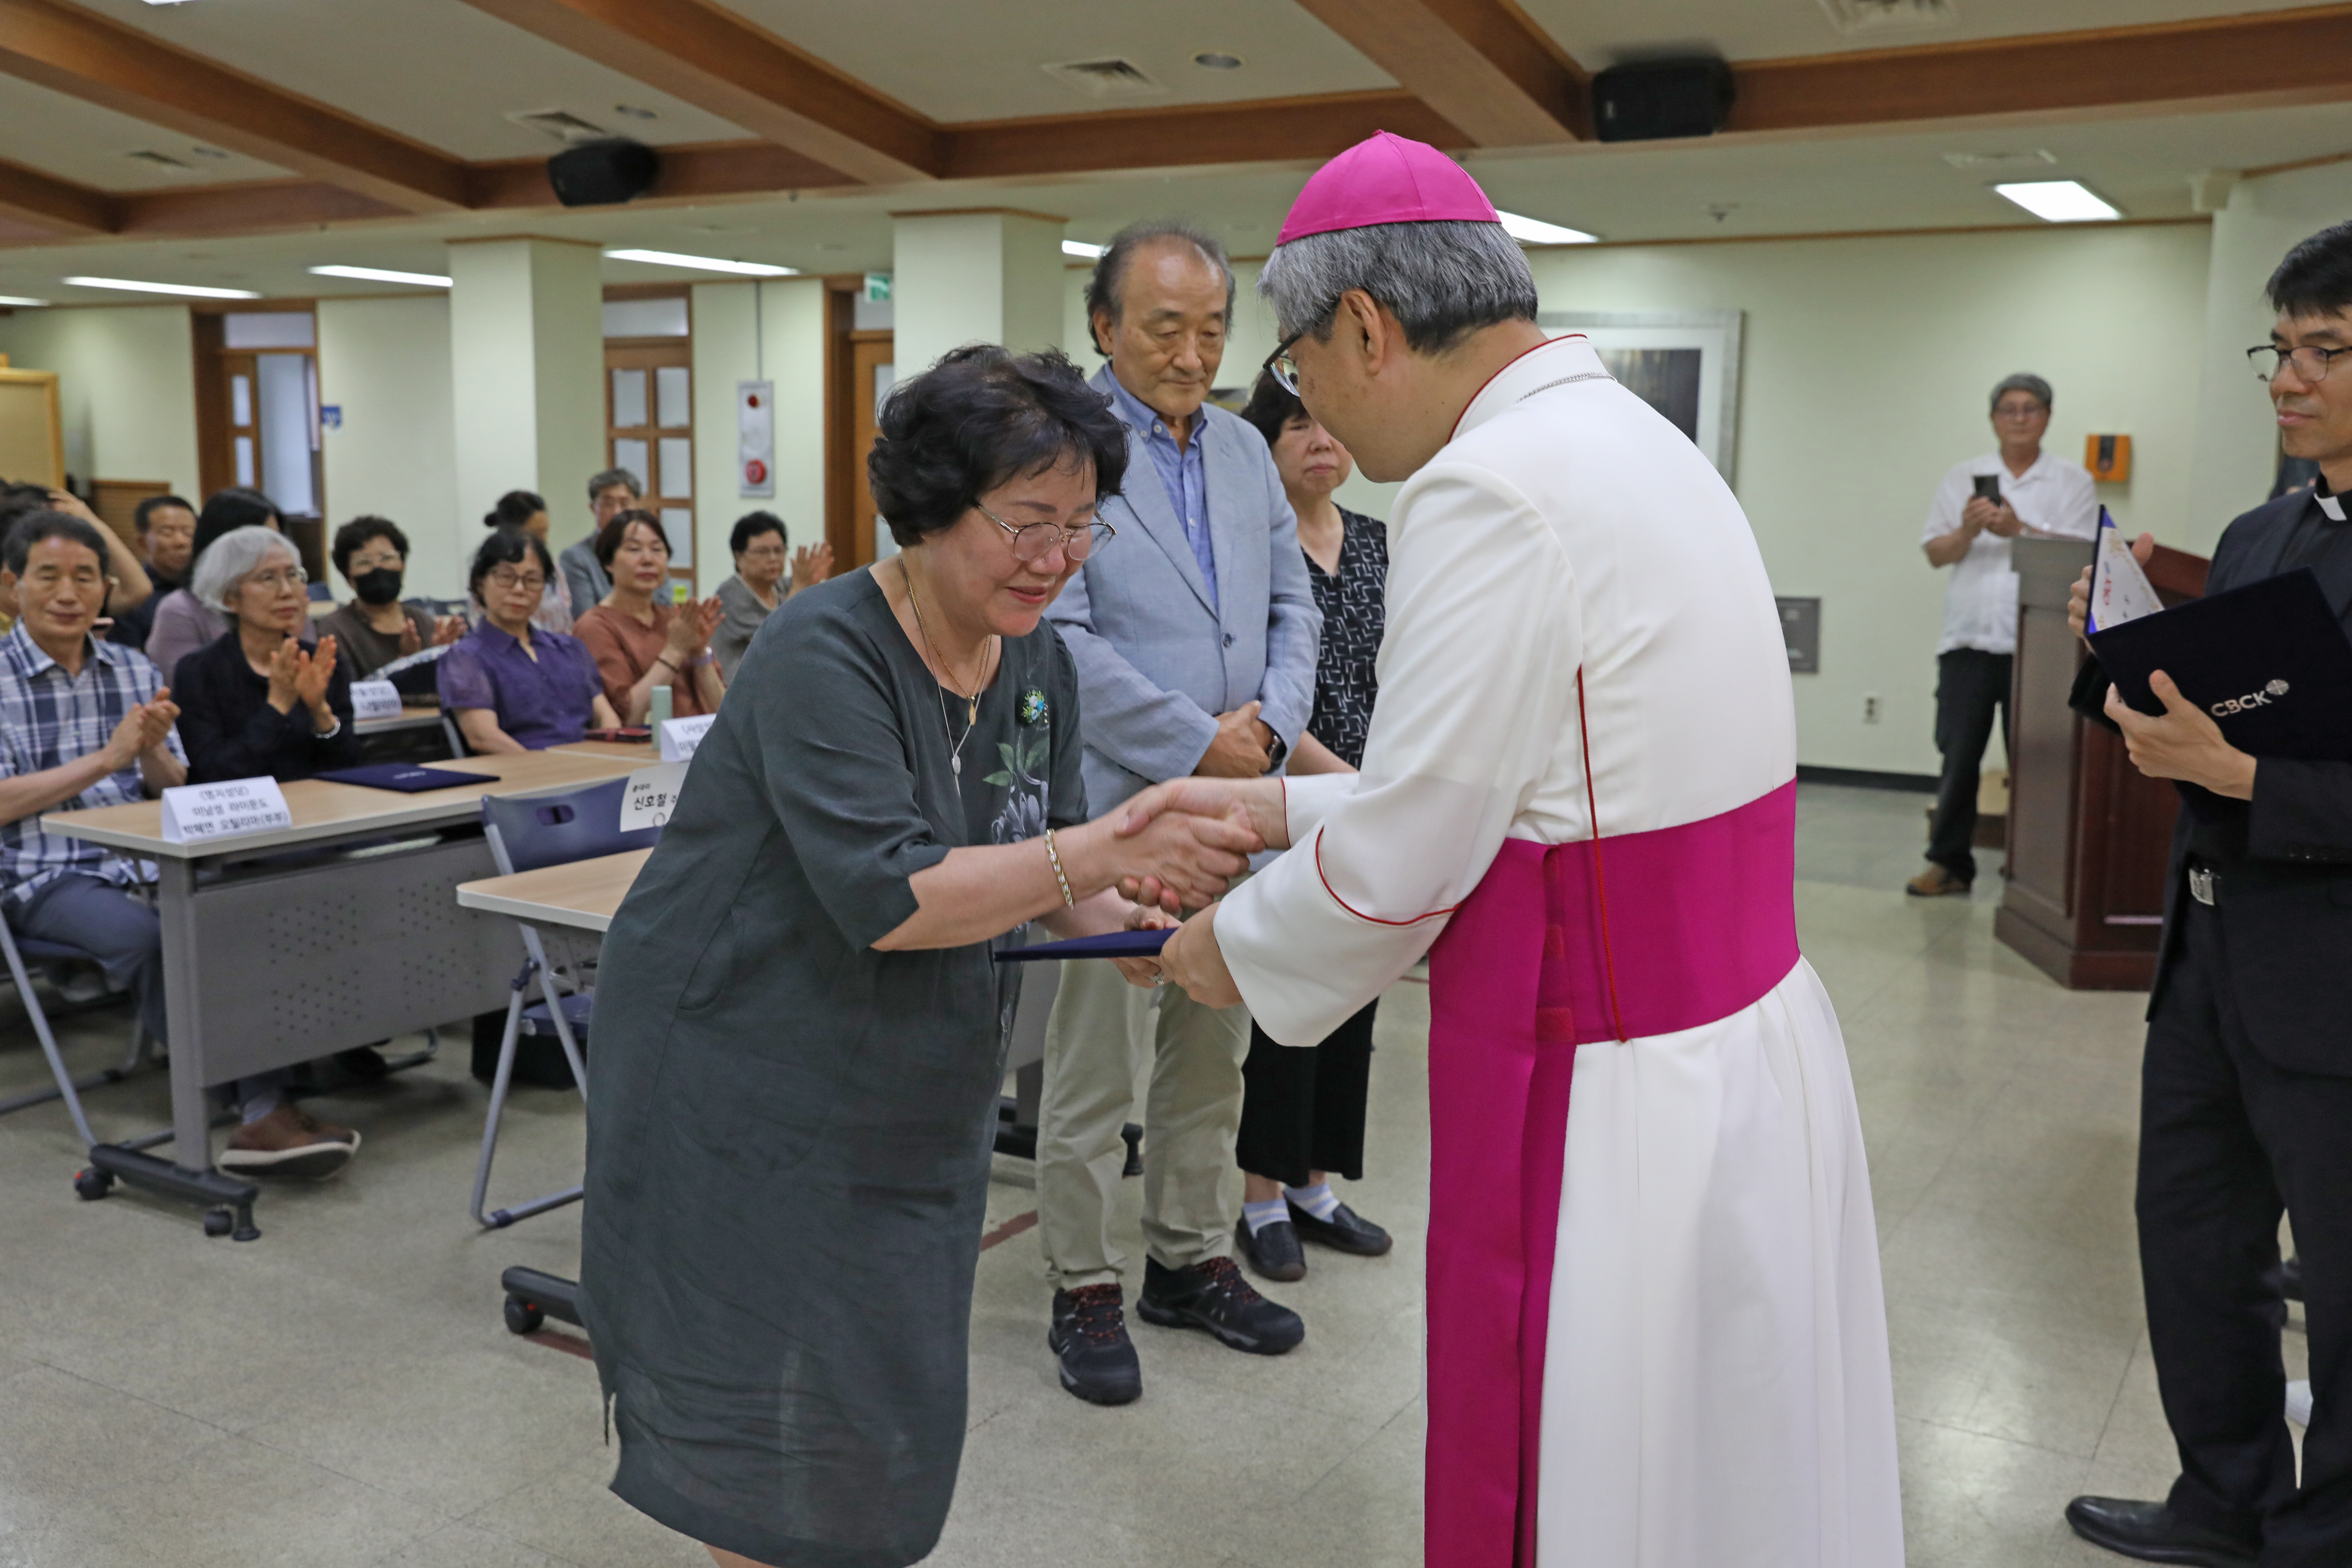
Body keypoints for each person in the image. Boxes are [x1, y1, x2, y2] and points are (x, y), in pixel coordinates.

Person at [1124, 132, 1902, 1566]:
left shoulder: (1486, 491)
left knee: (1579, 1471)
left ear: (1365, 324)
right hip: (1733, 1040)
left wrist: (1218, 947)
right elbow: (1535, 795)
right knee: (1722, 1460)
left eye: (1300, 365)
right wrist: (1267, 809)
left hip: (1602, 1088)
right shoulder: (1631, 442)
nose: (1318, 406)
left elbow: (1412, 856)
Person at [577, 345, 1260, 1568]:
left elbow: (1033, 858)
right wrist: (1109, 848)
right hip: (745, 1057)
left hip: (904, 1066)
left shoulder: (1036, 663)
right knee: (774, 1406)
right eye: (1027, 525)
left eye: (1081, 528)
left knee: (879, 1386)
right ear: (933, 510)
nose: (1057, 560)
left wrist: (1148, 937)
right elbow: (895, 894)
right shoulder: (818, 650)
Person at [2060, 221, 2352, 1568]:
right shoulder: (2256, 531)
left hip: (2332, 978)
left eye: (2325, 352)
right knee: (2190, 1244)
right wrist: (2125, 659)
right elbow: (2207, 704)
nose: (2286, 380)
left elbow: (2251, 755)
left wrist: (2241, 770)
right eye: (2277, 350)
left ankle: (2324, 1533)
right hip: (2205, 962)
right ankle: (2220, 1498)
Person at [1037, 217, 1322, 1405]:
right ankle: (1082, 1280)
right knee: (1097, 1066)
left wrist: (1261, 733)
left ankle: (1190, 1257)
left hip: (1239, 812)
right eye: (1165, 329)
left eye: (1213, 330)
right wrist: (1192, 739)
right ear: (1104, 329)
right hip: (1121, 806)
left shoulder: (1249, 456)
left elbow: (1294, 602)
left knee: (1216, 1045)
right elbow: (1056, 634)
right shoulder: (1061, 456)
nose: (1194, 353)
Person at [0, 510, 356, 1177]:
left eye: (85, 578)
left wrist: (155, 751)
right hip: (42, 872)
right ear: (10, 588)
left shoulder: (132, 670)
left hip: (146, 855)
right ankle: (258, 1110)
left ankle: (288, 1073)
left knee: (244, 910)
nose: (69, 594)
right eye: (49, 577)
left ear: (107, 588)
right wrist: (110, 760)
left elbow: (176, 786)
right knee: (154, 940)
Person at [1227, 369, 1391, 1282]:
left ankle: (1315, 1185)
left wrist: (1387, 784)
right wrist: (1345, 782)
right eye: (1299, 428)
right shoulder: (1255, 549)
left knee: (1353, 996)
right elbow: (1263, 693)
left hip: (1370, 800)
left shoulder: (1372, 541)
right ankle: (1261, 1197)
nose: (1321, 442)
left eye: (1332, 426)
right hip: (1290, 798)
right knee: (1286, 1005)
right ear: (1267, 443)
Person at [1907, 373, 2098, 897]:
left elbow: (2081, 556)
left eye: (2030, 409)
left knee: (2038, 761)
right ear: (1994, 419)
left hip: (2039, 646)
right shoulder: (1963, 476)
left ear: (2047, 417)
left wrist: (2019, 531)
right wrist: (1969, 530)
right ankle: (1949, 864)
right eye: (2008, 410)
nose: (2019, 418)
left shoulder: (2071, 481)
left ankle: (2034, 872)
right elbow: (1934, 554)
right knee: (1958, 757)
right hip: (1969, 640)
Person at [171, 524, 360, 784]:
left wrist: (321, 712)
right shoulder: (199, 672)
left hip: (321, 811)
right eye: (268, 578)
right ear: (229, 598)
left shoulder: (322, 665)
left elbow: (349, 766)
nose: (286, 591)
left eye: (293, 575)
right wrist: (278, 706)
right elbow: (215, 773)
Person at [438, 531, 619, 752]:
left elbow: (607, 719)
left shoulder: (571, 649)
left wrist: (607, 758)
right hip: (523, 775)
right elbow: (483, 737)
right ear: (480, 584)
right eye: (506, 577)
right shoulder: (465, 658)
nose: (519, 590)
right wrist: (552, 769)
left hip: (591, 767)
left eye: (532, 580)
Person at [570, 510, 725, 723]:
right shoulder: (595, 626)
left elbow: (725, 712)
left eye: (657, 549)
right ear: (608, 562)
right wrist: (675, 650)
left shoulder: (675, 620)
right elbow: (627, 718)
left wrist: (700, 652)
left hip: (701, 744)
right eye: (634, 550)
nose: (648, 560)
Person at [145, 488, 291, 684]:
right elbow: (188, 693)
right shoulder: (180, 610)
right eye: (259, 542)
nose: (273, 550)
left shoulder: (287, 600)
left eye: (276, 539)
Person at [314, 515, 465, 678]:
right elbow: (347, 696)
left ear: (403, 566)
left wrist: (442, 657)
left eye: (387, 558)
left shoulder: (423, 622)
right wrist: (407, 663)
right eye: (364, 562)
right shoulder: (335, 630)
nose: (378, 567)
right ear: (348, 577)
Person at [710, 510, 834, 681]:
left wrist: (815, 585)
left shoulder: (783, 587)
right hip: (742, 688)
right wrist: (800, 589)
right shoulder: (731, 596)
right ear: (739, 558)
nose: (773, 558)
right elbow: (774, 640)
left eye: (779, 550)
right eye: (762, 552)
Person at [107, 492, 195, 651]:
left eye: (189, 533)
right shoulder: (132, 598)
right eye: (168, 533)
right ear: (143, 543)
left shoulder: (209, 588)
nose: (182, 542)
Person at [481, 488, 573, 634]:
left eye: (545, 531)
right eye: (536, 533)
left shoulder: (553, 570)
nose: (543, 540)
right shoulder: (489, 571)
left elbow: (566, 620)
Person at [560, 467, 638, 619]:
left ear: (637, 508)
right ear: (593, 508)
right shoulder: (576, 558)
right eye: (608, 504)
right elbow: (586, 618)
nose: (617, 512)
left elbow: (663, 607)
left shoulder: (650, 554)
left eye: (624, 503)